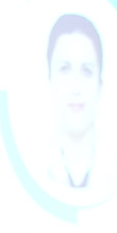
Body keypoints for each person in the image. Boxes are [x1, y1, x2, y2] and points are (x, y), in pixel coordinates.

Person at [45, 13, 103, 190]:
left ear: (100, 84)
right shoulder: (34, 165)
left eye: (86, 71)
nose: (76, 87)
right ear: (49, 80)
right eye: (64, 69)